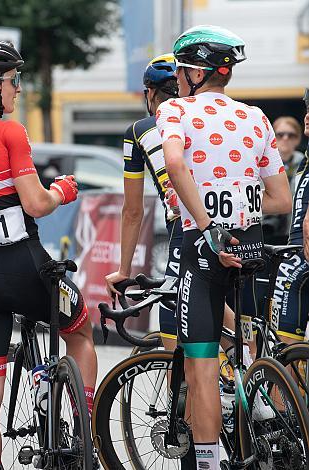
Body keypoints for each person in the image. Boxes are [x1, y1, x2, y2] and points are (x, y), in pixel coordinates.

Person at [0, 41, 97, 470]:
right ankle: (86, 434)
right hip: (27, 269)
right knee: (81, 332)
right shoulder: (10, 132)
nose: (18, 90)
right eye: (13, 81)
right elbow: (36, 204)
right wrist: (63, 190)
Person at [157, 26, 291, 470]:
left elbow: (174, 163)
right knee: (248, 350)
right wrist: (236, 197)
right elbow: (280, 198)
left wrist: (206, 219)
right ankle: (264, 421)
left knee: (203, 370)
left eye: (180, 71)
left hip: (206, 247)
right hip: (251, 243)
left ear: (196, 73)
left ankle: (211, 463)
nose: (176, 79)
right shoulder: (255, 116)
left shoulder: (175, 109)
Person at [105, 53, 182, 352]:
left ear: (149, 93)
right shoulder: (208, 120)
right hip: (242, 223)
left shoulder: (139, 130)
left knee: (176, 334)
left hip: (186, 227)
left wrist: (124, 271)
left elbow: (133, 211)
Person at [274, 90, 309, 345]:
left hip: (300, 258)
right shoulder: (304, 159)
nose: (307, 116)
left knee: (283, 352)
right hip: (288, 249)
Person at [262, 116, 304, 243]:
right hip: (265, 230)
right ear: (273, 137)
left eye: (291, 135)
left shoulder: (305, 164)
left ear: (298, 139)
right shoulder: (262, 164)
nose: (285, 138)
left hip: (296, 231)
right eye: (280, 135)